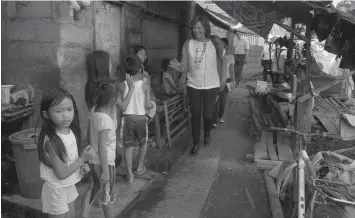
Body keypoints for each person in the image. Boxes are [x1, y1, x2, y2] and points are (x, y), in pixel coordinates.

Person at [169, 14, 225, 156]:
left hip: (212, 84)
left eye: (199, 27)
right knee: (195, 114)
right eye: (194, 28)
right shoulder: (188, 44)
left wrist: (223, 79)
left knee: (208, 115)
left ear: (206, 28)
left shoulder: (216, 43)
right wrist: (180, 69)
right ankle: (195, 143)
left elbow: (223, 63)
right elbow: (185, 66)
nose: (196, 30)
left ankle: (207, 133)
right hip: (194, 84)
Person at [37, 88, 95, 218]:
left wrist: (80, 166)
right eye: (59, 111)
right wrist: (82, 159)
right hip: (56, 189)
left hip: (68, 185)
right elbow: (61, 173)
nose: (66, 115)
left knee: (71, 215)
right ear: (47, 115)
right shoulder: (51, 140)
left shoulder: (70, 131)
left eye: (69, 109)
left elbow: (68, 159)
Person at [85, 50, 123, 168]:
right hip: (107, 128)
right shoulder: (110, 87)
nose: (112, 65)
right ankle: (106, 174)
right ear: (104, 66)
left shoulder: (90, 85)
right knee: (107, 155)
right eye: (110, 62)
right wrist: (130, 90)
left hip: (93, 126)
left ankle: (96, 176)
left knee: (96, 154)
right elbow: (123, 106)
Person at [122, 55, 154, 185]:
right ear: (140, 70)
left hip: (128, 119)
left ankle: (129, 174)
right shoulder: (145, 85)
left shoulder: (121, 85)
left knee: (128, 146)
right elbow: (148, 105)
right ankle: (140, 167)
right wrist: (150, 101)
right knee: (143, 142)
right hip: (141, 118)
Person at [213, 37, 234, 128]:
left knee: (223, 100)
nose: (222, 47)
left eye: (223, 46)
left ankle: (220, 116)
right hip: (216, 81)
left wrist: (233, 81)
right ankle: (214, 120)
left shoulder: (230, 57)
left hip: (227, 80)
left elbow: (231, 70)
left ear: (226, 46)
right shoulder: (215, 55)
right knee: (215, 101)